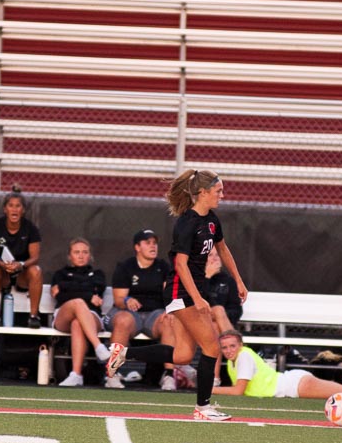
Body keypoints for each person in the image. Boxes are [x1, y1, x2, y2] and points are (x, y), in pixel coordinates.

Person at [107, 169, 247, 421]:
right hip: (180, 291)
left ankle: (124, 353)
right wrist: (198, 298)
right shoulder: (187, 223)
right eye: (218, 191)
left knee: (182, 354)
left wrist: (238, 279)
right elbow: (181, 265)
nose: (222, 195)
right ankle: (203, 408)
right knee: (211, 346)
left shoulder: (211, 219)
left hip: (193, 291)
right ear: (203, 192)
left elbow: (223, 249)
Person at [103, 229, 192, 392]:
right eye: (148, 243)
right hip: (130, 314)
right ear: (137, 247)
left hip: (154, 314)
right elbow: (118, 299)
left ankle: (169, 375)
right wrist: (127, 300)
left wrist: (170, 310)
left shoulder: (163, 267)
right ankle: (112, 373)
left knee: (170, 321)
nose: (153, 246)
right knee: (123, 320)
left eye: (154, 243)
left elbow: (170, 293)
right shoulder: (125, 267)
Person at [212, 330, 342, 400]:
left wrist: (210, 390)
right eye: (225, 347)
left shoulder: (244, 356)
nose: (228, 350)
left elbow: (238, 391)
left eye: (232, 346)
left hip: (294, 385)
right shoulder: (232, 361)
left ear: (241, 344)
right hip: (292, 384)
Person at [51, 238, 110, 387]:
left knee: (77, 323)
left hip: (92, 316)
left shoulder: (98, 274)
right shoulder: (60, 274)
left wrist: (66, 287)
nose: (81, 255)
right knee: (78, 302)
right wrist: (89, 295)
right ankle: (98, 346)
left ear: (90, 255)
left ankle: (76, 375)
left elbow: (98, 289)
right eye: (76, 252)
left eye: (85, 252)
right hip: (64, 316)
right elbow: (59, 296)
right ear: (69, 256)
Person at [0, 186, 44, 328]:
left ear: (23, 210)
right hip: (3, 271)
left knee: (36, 271)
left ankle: (34, 316)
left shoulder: (30, 228)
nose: (14, 209)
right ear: (5, 209)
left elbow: (35, 257)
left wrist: (21, 264)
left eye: (18, 206)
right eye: (11, 206)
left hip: (22, 273)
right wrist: (3, 265)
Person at [204, 248, 243, 333]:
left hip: (222, 322)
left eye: (217, 255)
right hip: (200, 320)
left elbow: (236, 310)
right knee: (217, 311)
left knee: (217, 318)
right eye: (210, 255)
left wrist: (221, 315)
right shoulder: (195, 279)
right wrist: (207, 277)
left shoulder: (229, 281)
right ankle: (231, 340)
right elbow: (196, 300)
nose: (215, 258)